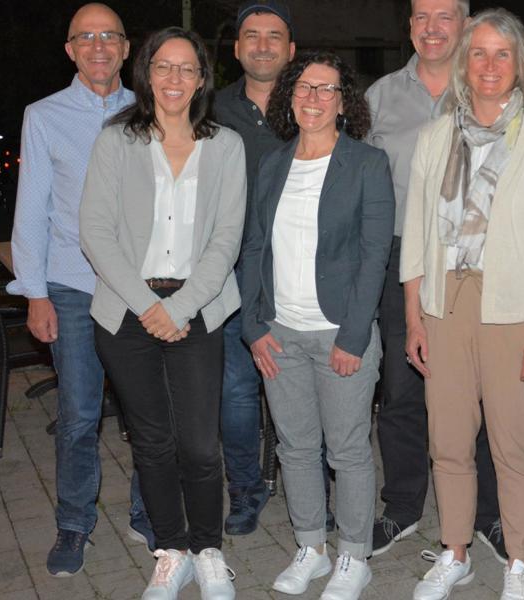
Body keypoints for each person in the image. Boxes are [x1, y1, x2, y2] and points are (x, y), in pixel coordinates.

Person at [401, 9, 524, 600]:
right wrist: (413, 316)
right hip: (443, 304)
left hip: (514, 309)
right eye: (479, 53)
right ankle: (455, 551)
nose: (491, 65)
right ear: (464, 64)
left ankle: (520, 560)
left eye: (503, 54)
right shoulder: (435, 135)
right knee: (447, 440)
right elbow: (418, 232)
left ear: (519, 63)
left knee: (513, 443)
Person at [79, 27, 246, 600]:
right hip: (127, 312)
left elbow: (227, 239)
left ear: (203, 78)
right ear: (146, 74)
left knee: (200, 443)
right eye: (164, 68)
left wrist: (179, 307)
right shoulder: (115, 141)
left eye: (188, 69)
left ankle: (209, 550)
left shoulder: (225, 146)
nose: (175, 79)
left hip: (198, 309)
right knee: (152, 442)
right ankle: (171, 550)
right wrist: (150, 306)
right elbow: (95, 233)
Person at [240, 50, 394, 600]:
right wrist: (254, 325)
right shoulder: (273, 164)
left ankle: (354, 556)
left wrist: (354, 337)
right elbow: (254, 247)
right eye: (305, 87)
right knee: (295, 446)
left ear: (344, 102)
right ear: (290, 96)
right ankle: (311, 545)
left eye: (327, 89)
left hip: (338, 335)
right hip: (279, 333)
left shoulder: (366, 164)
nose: (314, 98)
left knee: (347, 449)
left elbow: (375, 256)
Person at [7, 2, 153, 576]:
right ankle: (74, 525)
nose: (98, 46)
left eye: (109, 36)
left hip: (141, 289)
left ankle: (149, 513)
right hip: (71, 285)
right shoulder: (43, 116)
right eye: (85, 37)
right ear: (70, 50)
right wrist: (35, 293)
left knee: (147, 411)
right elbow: (32, 209)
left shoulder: (151, 110)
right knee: (77, 415)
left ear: (125, 47)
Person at [365, 0, 506, 562]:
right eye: (421, 16)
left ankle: (490, 514)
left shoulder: (490, 88)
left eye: (445, 15)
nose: (432, 27)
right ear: (409, 26)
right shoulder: (379, 97)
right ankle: (402, 504)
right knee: (401, 391)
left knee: (480, 393)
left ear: (465, 25)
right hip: (401, 258)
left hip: (477, 260)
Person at [212, 0, 295, 537]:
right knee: (237, 392)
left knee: (300, 392)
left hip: (300, 273)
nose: (262, 45)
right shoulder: (211, 110)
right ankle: (246, 490)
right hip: (232, 271)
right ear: (238, 48)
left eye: (274, 36)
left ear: (291, 50)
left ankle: (312, 490)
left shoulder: (315, 103)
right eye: (252, 35)